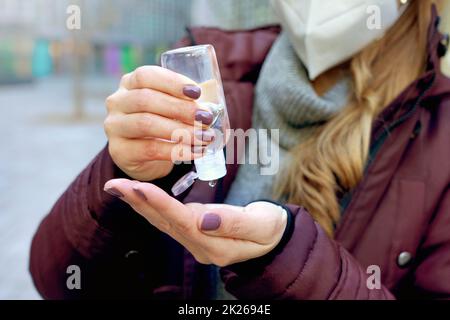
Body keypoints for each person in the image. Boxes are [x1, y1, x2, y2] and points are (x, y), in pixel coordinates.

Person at [30, 0, 450, 299]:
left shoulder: (440, 132)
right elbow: (60, 284)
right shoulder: (213, 83)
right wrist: (119, 174)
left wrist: (288, 262)